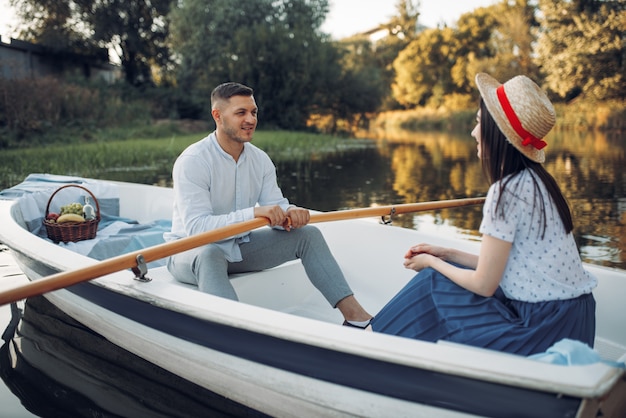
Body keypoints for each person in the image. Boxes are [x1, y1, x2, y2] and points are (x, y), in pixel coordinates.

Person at [369, 73, 597, 356]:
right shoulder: (540, 181)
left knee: (432, 282)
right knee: (449, 274)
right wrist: (446, 253)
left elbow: (484, 284)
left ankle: (371, 345)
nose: (474, 132)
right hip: (577, 322)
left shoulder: (505, 192)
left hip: (542, 328)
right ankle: (385, 342)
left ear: (496, 132)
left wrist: (431, 263)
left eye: (478, 122)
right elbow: (510, 267)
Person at [164, 81, 372, 327]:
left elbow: (276, 205)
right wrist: (253, 213)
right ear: (217, 116)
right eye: (241, 113)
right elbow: (197, 229)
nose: (250, 119)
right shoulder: (193, 161)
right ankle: (234, 333)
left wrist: (290, 213)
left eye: (253, 112)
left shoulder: (260, 159)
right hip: (189, 254)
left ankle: (358, 319)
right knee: (210, 253)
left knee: (308, 235)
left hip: (239, 248)